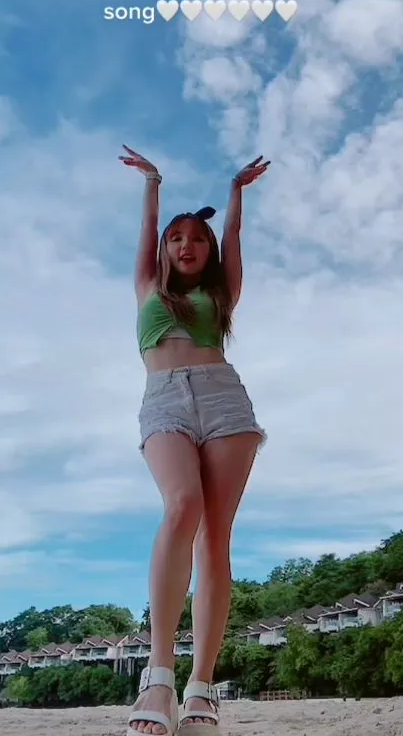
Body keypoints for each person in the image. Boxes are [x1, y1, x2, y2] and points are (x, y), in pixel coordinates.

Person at [120, 145, 269, 736]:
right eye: (178, 238)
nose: (187, 244)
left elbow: (233, 244)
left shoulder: (222, 293)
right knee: (181, 506)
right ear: (165, 249)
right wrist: (153, 182)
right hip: (163, 399)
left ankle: (201, 692)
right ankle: (158, 678)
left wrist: (236, 195)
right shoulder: (146, 286)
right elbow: (149, 228)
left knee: (216, 538)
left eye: (197, 239)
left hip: (224, 398)